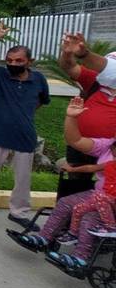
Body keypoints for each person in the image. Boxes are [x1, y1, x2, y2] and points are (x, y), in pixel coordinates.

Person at [13, 97, 115, 272]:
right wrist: (72, 117)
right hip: (101, 194)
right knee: (65, 203)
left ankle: (80, 259)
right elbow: (75, 141)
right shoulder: (110, 144)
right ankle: (43, 238)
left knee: (88, 219)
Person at [0, 23, 50, 230]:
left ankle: (19, 212)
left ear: (29, 62)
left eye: (18, 61)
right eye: (9, 60)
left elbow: (41, 101)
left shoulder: (39, 79)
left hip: (25, 135)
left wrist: (22, 115)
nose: (13, 64)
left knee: (23, 178)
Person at [57, 32, 116, 169]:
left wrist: (84, 54)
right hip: (80, 144)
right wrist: (67, 54)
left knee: (108, 184)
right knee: (74, 183)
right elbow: (69, 67)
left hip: (111, 150)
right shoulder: (95, 80)